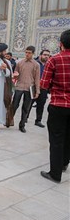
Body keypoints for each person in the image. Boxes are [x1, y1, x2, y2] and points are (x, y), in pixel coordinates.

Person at [40, 29, 70, 184]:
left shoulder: (54, 60)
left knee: (57, 139)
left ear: (61, 44)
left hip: (58, 105)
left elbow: (43, 84)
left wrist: (54, 87)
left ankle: (55, 173)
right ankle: (64, 163)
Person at [12, 46, 40, 133]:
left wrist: (37, 91)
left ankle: (22, 125)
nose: (27, 54)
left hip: (29, 88)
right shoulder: (19, 63)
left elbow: (37, 78)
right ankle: (9, 121)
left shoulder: (36, 65)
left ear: (33, 53)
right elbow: (15, 75)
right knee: (14, 105)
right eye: (26, 52)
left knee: (26, 107)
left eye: (29, 53)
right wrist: (14, 76)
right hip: (19, 86)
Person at [32, 49, 51, 128]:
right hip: (33, 86)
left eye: (48, 55)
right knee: (29, 104)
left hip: (43, 88)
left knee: (41, 105)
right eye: (45, 54)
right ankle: (24, 119)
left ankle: (38, 120)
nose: (46, 56)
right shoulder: (35, 63)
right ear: (40, 55)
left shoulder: (49, 64)